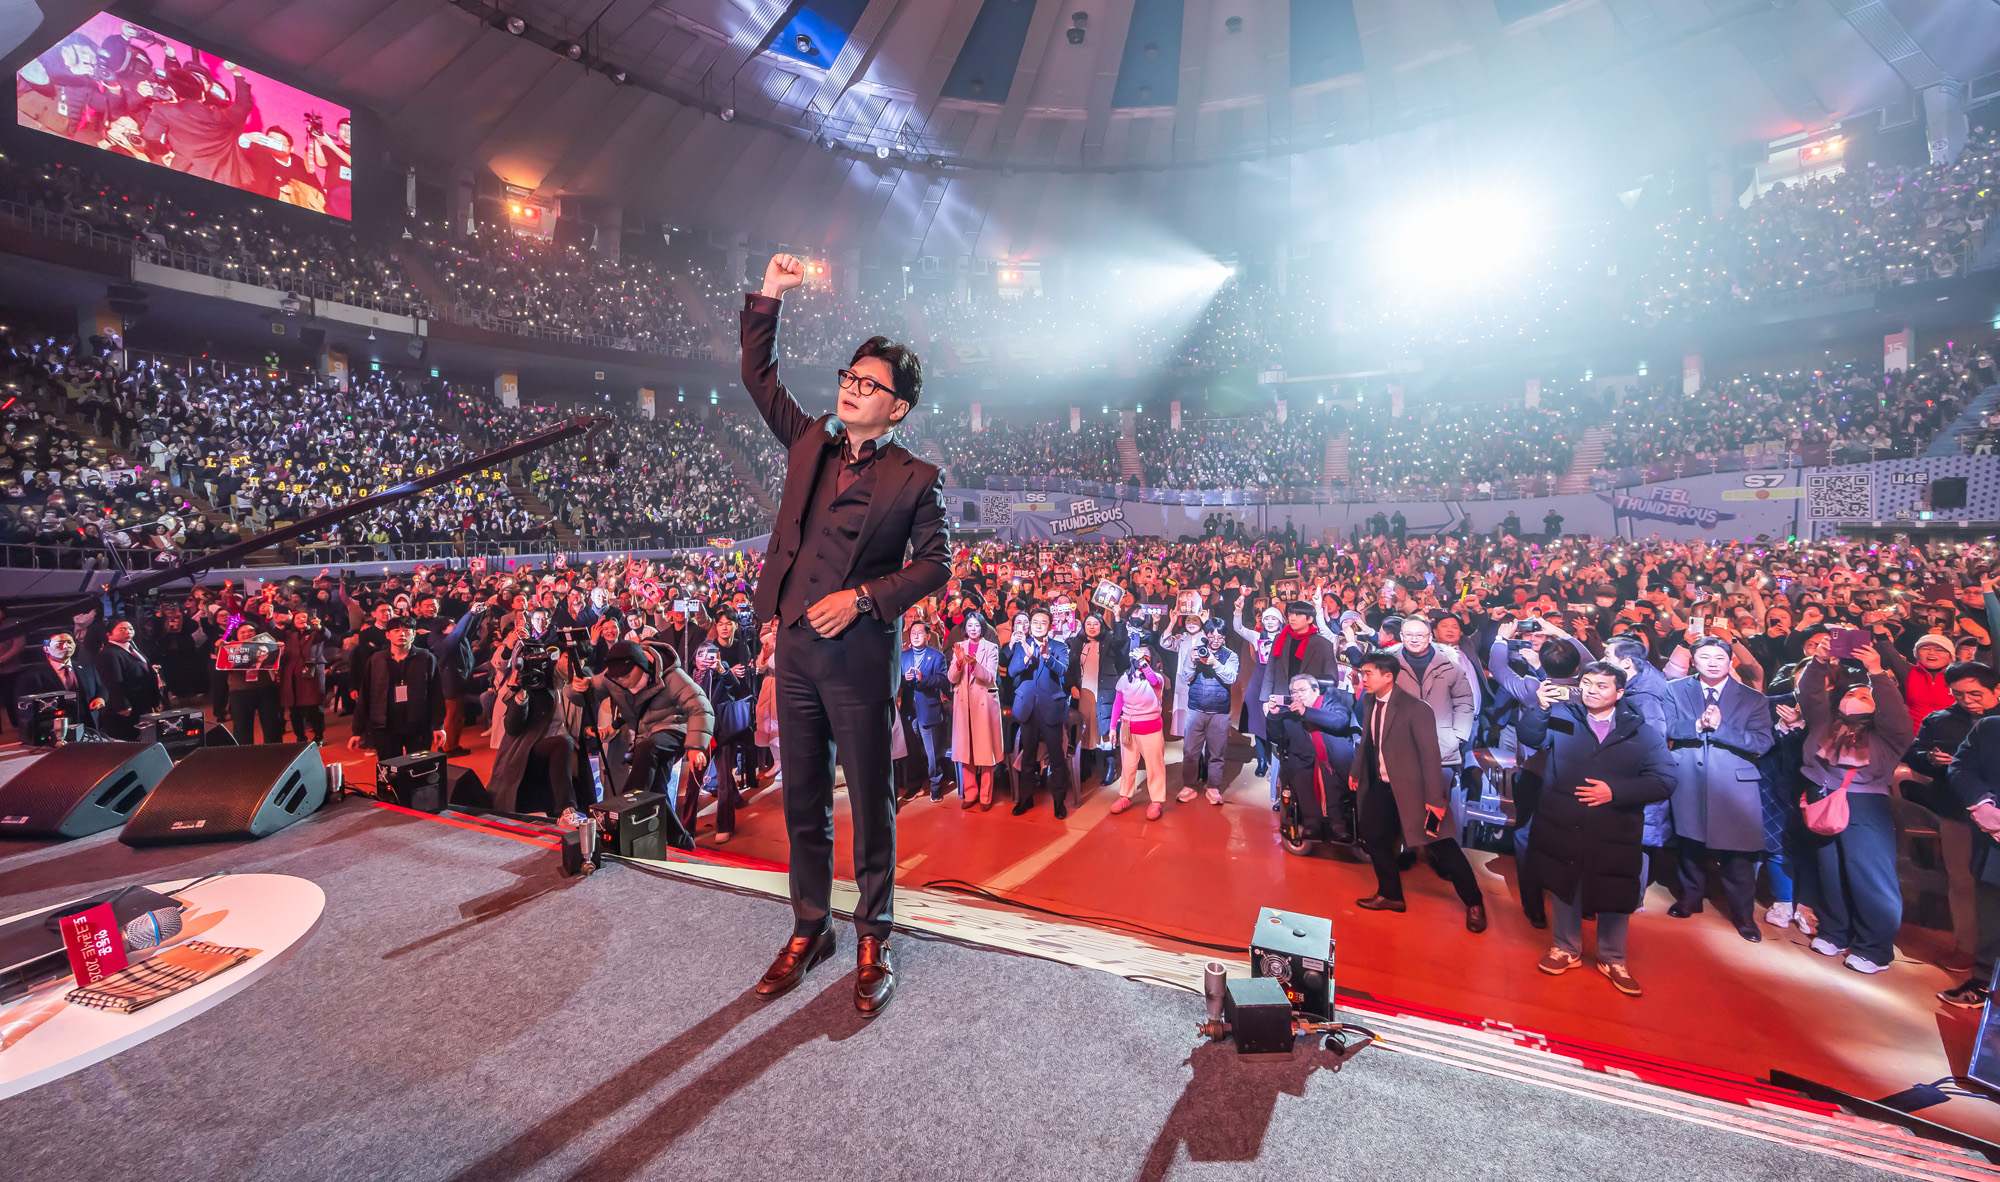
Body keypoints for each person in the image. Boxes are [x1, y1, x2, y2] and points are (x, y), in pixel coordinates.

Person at [742, 252, 950, 1019]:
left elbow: (936, 564)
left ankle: (873, 936)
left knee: (870, 802)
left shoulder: (916, 479)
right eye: (849, 376)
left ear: (897, 409)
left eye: (869, 384)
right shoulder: (810, 441)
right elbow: (758, 376)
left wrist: (863, 599)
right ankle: (809, 927)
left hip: (860, 661)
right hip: (795, 651)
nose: (851, 388)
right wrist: (771, 293)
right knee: (802, 797)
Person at [1518, 662, 1677, 997]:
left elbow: (1665, 780)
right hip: (1563, 819)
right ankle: (1565, 948)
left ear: (1620, 693)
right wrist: (1540, 707)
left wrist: (1614, 792)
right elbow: (1530, 737)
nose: (1591, 690)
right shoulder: (1564, 716)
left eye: (1602, 686)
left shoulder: (1641, 732)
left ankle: (1612, 958)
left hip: (1615, 827)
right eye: (1587, 683)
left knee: (1614, 889)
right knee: (1564, 882)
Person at [1350, 652, 1487, 931]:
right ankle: (1390, 894)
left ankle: (1474, 902)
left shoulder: (1416, 708)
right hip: (1382, 785)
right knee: (1373, 835)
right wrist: (1356, 771)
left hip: (1415, 791)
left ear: (1388, 676)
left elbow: (1430, 756)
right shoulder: (1369, 701)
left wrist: (1435, 799)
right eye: (1362, 673)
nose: (1363, 679)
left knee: (1441, 846)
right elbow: (1368, 741)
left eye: (1368, 673)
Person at [1799, 641, 1913, 974]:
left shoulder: (1890, 734)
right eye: (1851, 693)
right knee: (1831, 871)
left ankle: (1874, 948)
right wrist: (1820, 661)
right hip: (1821, 799)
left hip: (1865, 804)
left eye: (1865, 696)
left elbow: (1894, 711)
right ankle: (1835, 931)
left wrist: (1876, 672)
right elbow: (1809, 693)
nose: (1855, 698)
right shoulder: (1824, 721)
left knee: (1869, 876)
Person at [1663, 637, 1776, 941]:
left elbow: (1762, 742)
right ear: (1693, 661)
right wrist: (1696, 725)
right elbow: (1666, 727)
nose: (1712, 663)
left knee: (1739, 854)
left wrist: (1721, 729)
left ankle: (1743, 915)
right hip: (1689, 776)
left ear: (1730, 661)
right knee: (1690, 843)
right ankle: (1690, 899)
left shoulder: (1753, 698)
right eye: (1704, 657)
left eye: (1719, 658)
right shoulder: (1675, 689)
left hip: (1734, 784)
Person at [1946, 715, 2000, 1007]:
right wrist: (1982, 805)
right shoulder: (1991, 727)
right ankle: (1982, 983)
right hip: (1993, 841)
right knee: (1990, 916)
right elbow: (1960, 767)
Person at [1268, 672, 1356, 846]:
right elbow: (1277, 738)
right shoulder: (1289, 712)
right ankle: (1312, 823)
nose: (1298, 695)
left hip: (1332, 758)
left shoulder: (1330, 703)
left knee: (1329, 777)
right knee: (1301, 776)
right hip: (1302, 760)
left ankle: (1338, 824)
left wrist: (1306, 712)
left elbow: (1340, 721)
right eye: (1294, 692)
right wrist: (1274, 715)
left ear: (1316, 690)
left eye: (1302, 690)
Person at [348, 617, 447, 759]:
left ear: (414, 634)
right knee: (390, 769)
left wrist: (438, 725)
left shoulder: (426, 658)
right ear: (387, 635)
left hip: (418, 725)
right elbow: (365, 696)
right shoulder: (376, 660)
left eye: (407, 630)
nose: (402, 634)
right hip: (385, 726)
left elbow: (436, 694)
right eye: (396, 630)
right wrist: (357, 731)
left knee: (419, 768)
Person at [1008, 607, 1073, 817]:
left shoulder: (1059, 646)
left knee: (1057, 757)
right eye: (1035, 622)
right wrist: (1027, 657)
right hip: (1028, 708)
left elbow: (1063, 670)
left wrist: (1046, 656)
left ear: (1050, 626)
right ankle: (1025, 799)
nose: (1038, 626)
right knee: (1027, 757)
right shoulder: (1022, 645)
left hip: (1050, 708)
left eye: (1043, 622)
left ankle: (1059, 802)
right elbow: (1012, 671)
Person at [1178, 617, 1239, 806]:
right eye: (1212, 636)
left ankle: (1213, 788)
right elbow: (1186, 676)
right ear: (1206, 635)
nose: (1215, 641)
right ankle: (1189, 786)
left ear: (1225, 637)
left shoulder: (1231, 656)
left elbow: (1231, 678)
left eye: (1220, 637)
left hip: (1219, 711)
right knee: (1190, 752)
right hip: (1195, 709)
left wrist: (1215, 663)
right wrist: (1192, 661)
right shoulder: (1196, 651)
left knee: (1216, 753)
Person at [1109, 647, 1171, 819]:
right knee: (1128, 765)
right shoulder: (1125, 678)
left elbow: (1154, 681)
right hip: (1128, 728)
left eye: (1145, 656)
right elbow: (1117, 703)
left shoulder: (1156, 678)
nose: (1140, 657)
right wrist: (1113, 727)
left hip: (1151, 729)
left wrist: (1143, 663)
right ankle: (1125, 796)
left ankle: (1156, 801)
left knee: (1155, 766)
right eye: (1137, 654)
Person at [949, 611, 1003, 809]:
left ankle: (986, 796)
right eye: (970, 625)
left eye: (977, 625)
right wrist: (959, 662)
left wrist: (974, 664)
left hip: (983, 704)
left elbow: (990, 677)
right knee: (966, 751)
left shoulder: (991, 647)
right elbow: (951, 678)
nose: (973, 629)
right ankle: (970, 793)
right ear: (965, 628)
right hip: (964, 705)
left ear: (983, 628)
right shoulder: (959, 647)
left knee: (985, 751)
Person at [898, 621, 953, 802]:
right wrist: (904, 679)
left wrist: (924, 679)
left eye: (920, 633)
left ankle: (935, 787)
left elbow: (943, 681)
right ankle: (915, 786)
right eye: (913, 632)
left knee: (932, 753)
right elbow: (897, 680)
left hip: (929, 709)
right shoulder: (903, 656)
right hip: (909, 710)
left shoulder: (937, 656)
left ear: (928, 636)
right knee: (912, 750)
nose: (915, 636)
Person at [14, 632, 106, 732]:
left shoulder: (86, 667)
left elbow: (101, 687)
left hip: (88, 725)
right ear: (46, 648)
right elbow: (24, 709)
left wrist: (101, 698)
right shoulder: (31, 676)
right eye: (60, 643)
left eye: (69, 642)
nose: (66, 646)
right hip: (54, 728)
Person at [94, 618, 162, 740]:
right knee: (129, 739)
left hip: (142, 702)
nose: (128, 632)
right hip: (127, 705)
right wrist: (122, 705)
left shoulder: (131, 647)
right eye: (122, 629)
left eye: (130, 629)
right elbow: (113, 681)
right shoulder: (108, 653)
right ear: (109, 634)